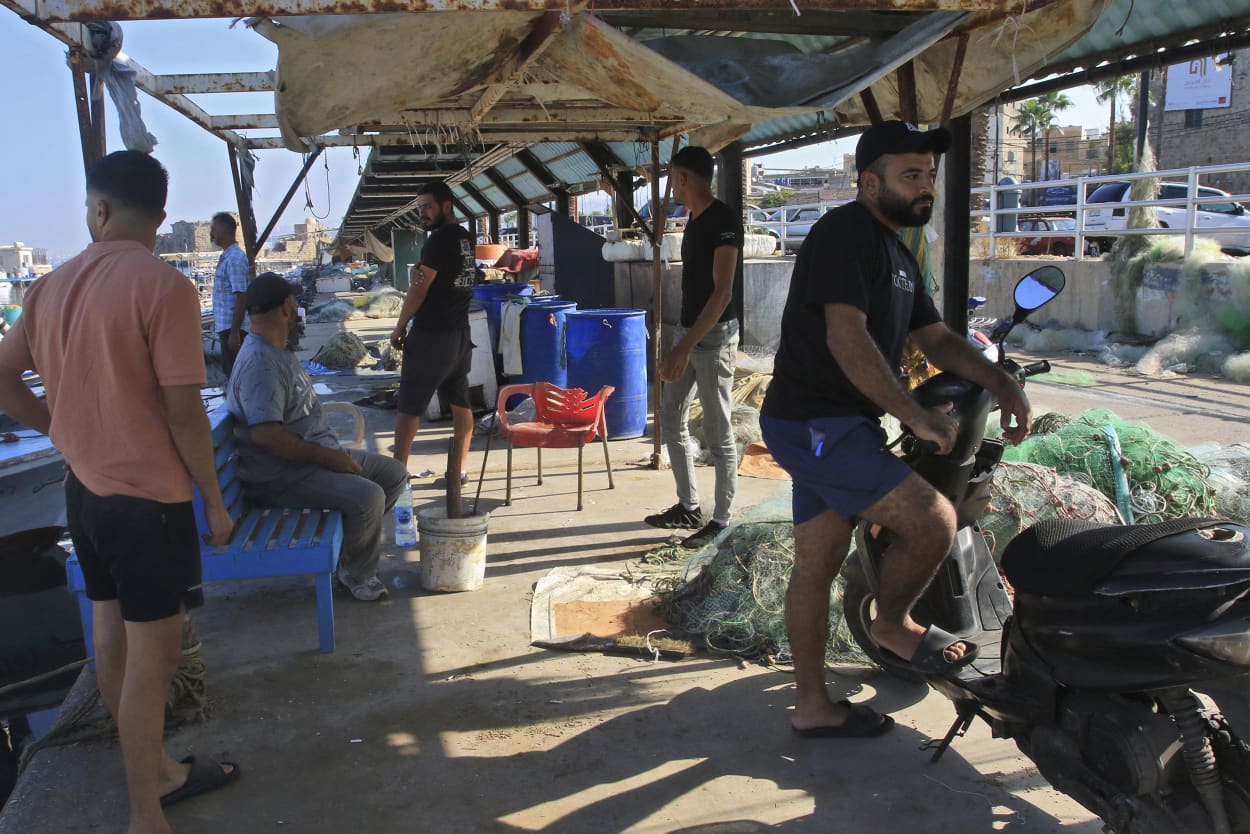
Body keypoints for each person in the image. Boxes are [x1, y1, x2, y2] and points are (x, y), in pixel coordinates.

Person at [759, 121, 1032, 738]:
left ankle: (811, 705)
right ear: (869, 181)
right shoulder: (844, 233)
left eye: (929, 175)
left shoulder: (897, 253)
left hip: (831, 425)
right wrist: (915, 415)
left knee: (818, 562)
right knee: (933, 520)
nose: (925, 187)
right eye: (911, 175)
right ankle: (892, 625)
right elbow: (845, 335)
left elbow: (934, 339)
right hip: (814, 423)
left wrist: (1000, 381)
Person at [0, 150, 238, 834]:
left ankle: (156, 769)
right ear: (160, 219)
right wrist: (214, 502)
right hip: (148, 504)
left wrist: (62, 432)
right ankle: (145, 812)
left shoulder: (47, 288)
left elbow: (4, 377)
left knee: (111, 643)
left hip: (84, 495)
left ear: (98, 210)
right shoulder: (162, 286)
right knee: (153, 663)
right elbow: (185, 411)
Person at [227, 273, 409, 602]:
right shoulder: (260, 363)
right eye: (295, 304)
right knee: (368, 498)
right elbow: (268, 436)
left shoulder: (274, 350)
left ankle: (348, 555)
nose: (297, 310)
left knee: (393, 475)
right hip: (282, 475)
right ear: (286, 307)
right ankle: (355, 574)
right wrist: (332, 459)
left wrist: (331, 455)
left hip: (310, 459)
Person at [644, 146, 742, 550]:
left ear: (683, 179)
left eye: (672, 177)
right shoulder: (694, 222)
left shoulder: (722, 220)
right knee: (670, 416)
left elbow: (722, 293)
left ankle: (721, 520)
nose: (671, 185)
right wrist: (680, 341)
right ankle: (689, 506)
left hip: (714, 338)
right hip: (689, 332)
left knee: (719, 433)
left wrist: (683, 347)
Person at [389, 182, 476, 478]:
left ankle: (397, 474)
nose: (422, 214)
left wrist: (399, 327)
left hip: (432, 335)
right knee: (459, 401)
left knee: (410, 404)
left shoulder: (438, 240)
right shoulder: (465, 237)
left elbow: (418, 291)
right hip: (459, 335)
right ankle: (459, 470)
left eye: (427, 207)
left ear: (446, 205)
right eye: (419, 208)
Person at [210, 211, 250, 376]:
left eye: (214, 229)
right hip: (226, 326)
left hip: (233, 328)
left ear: (224, 231)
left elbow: (241, 296)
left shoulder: (234, 259)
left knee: (236, 374)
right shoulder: (227, 256)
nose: (212, 233)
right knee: (230, 373)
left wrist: (234, 333)